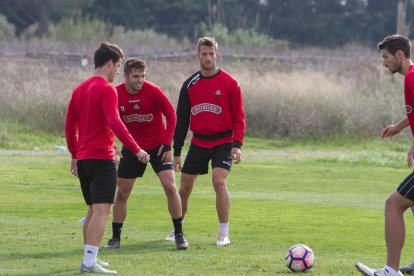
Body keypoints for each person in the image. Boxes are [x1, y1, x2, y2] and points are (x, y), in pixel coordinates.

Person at [65, 42, 150, 274]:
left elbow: (69, 125)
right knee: (103, 210)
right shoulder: (106, 89)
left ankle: (89, 257)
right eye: (118, 65)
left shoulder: (79, 89)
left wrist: (74, 154)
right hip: (102, 158)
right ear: (109, 64)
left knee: (93, 210)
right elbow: (115, 121)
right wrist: (136, 149)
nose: (117, 72)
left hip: (83, 160)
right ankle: (89, 262)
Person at [167, 36, 246, 246]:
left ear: (217, 55)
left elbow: (239, 117)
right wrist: (176, 151)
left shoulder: (230, 83)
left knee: (219, 181)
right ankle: (178, 229)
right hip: (199, 143)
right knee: (183, 189)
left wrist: (237, 145)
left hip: (223, 142)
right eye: (204, 54)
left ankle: (223, 233)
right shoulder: (189, 85)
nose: (208, 57)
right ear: (198, 56)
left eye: (212, 54)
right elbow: (182, 120)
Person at [104, 58, 188, 250]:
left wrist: (167, 144)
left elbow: (172, 115)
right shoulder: (115, 94)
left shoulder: (153, 90)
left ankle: (179, 234)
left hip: (158, 147)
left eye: (142, 76)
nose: (140, 80)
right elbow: (108, 121)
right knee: (123, 193)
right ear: (125, 76)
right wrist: (114, 146)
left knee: (170, 187)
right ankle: (115, 238)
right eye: (135, 76)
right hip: (132, 149)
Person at [355, 34, 414, 276]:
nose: (383, 62)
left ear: (399, 54)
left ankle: (391, 271)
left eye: (386, 57)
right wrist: (400, 128)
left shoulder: (411, 78)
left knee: (393, 205)